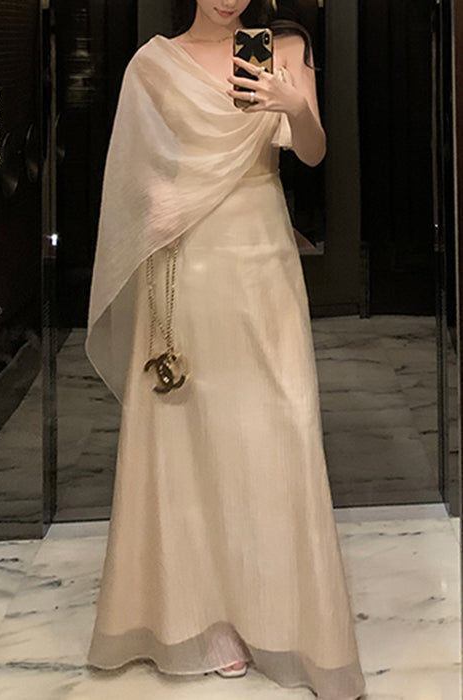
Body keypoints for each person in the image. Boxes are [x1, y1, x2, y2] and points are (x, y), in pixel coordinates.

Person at [84, 1, 366, 698]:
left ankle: (286, 618)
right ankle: (205, 619)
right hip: (187, 252)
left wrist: (292, 104)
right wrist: (160, 200)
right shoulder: (154, 64)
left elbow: (312, 150)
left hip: (261, 247)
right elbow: (133, 170)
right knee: (192, 430)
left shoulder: (285, 46)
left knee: (281, 421)